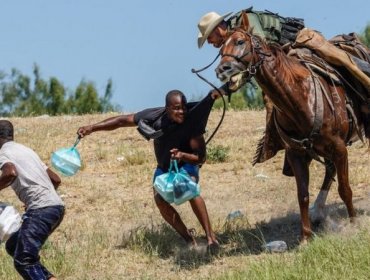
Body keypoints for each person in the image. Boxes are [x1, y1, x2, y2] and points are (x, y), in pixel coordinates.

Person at [77, 89, 224, 251]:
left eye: (183, 107)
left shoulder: (192, 122)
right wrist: (92, 128)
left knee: (189, 189)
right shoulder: (153, 117)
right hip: (164, 168)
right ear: (166, 108)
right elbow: (121, 121)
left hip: (187, 164)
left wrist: (182, 155)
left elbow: (201, 158)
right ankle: (189, 240)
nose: (181, 111)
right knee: (160, 201)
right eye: (176, 108)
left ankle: (211, 239)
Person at [0, 120, 65, 280]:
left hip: (41, 210)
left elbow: (10, 173)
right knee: (14, 245)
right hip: (56, 207)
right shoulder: (27, 151)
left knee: (24, 261)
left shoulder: (3, 153)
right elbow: (55, 179)